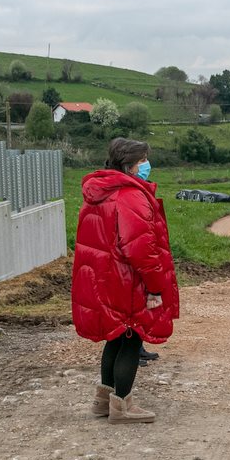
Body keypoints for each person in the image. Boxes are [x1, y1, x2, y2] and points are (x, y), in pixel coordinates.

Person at [72, 138, 179, 424]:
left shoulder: (101, 192)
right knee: (132, 338)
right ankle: (123, 406)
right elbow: (141, 249)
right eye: (143, 160)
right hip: (126, 281)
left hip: (104, 279)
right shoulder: (130, 196)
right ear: (131, 165)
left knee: (116, 338)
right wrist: (155, 287)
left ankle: (103, 401)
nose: (147, 165)